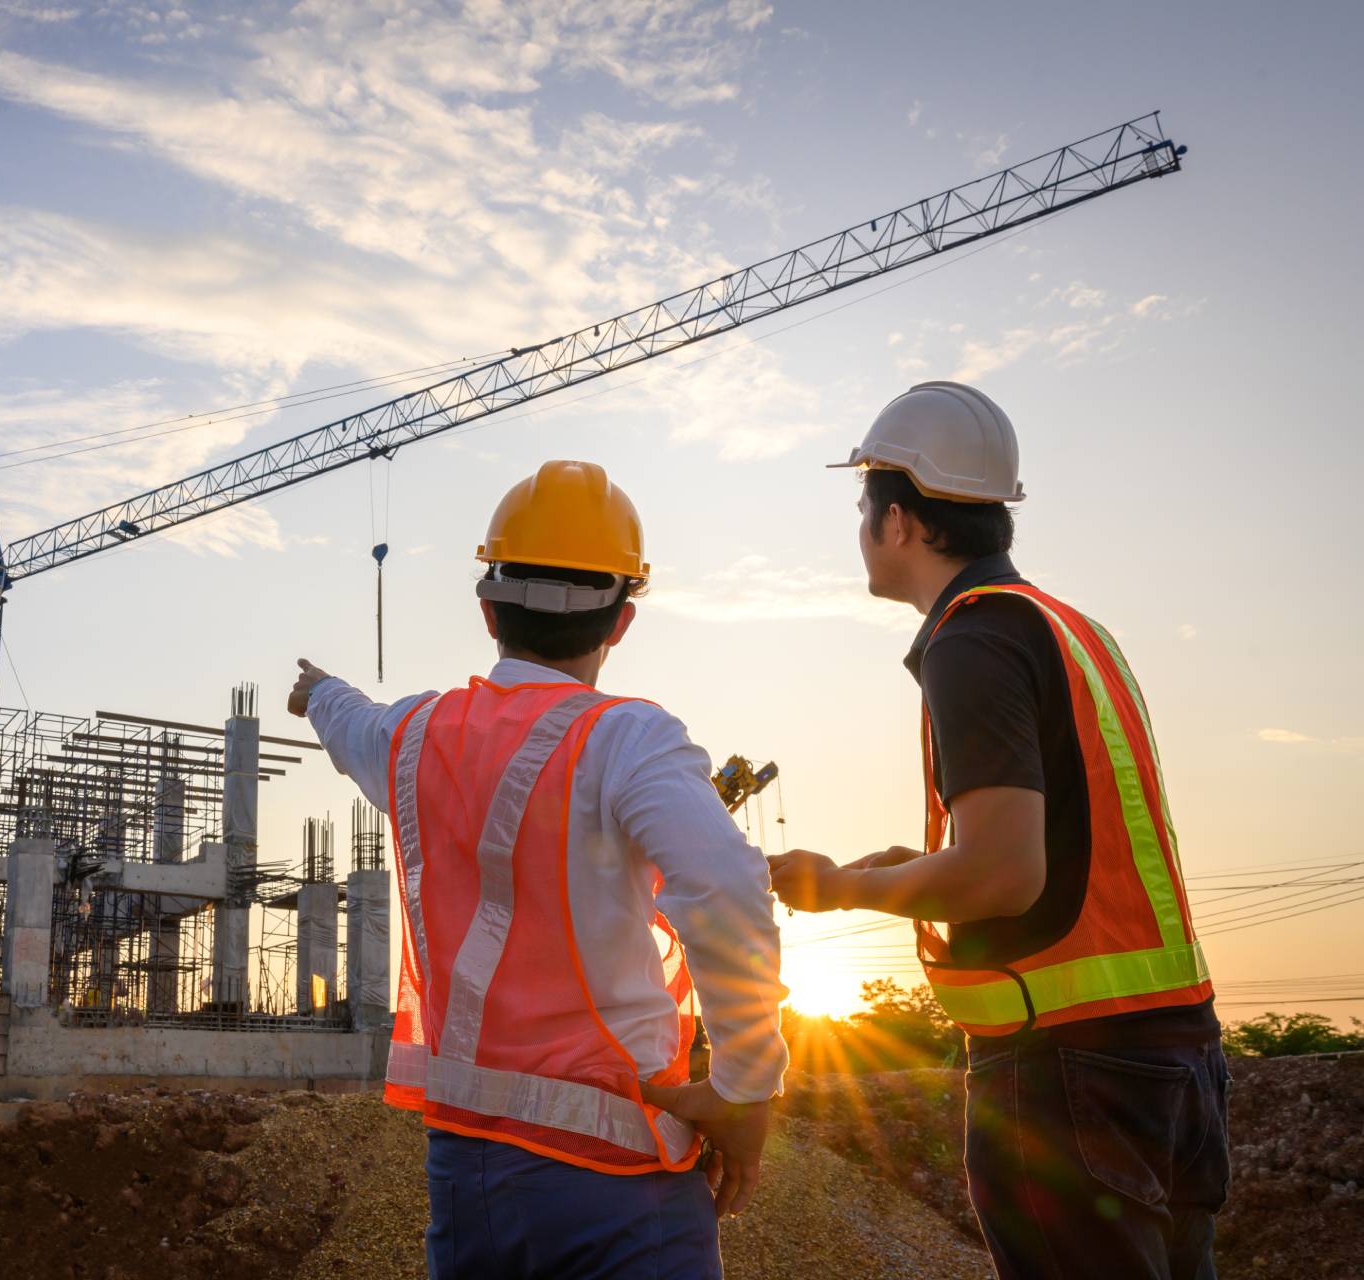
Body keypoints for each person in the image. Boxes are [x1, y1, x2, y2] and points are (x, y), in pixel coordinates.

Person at [748, 382, 1226, 1278]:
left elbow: (1005, 876)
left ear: (901, 523)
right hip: (1172, 1054)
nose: (860, 527)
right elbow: (1042, 850)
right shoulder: (1071, 629)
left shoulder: (973, 641)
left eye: (864, 506)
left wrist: (845, 889)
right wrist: (884, 873)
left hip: (1069, 1066)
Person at [287, 460, 788, 1279]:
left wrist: (317, 692)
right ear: (622, 621)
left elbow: (355, 724)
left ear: (487, 610)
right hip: (617, 1180)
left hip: (467, 1180)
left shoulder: (415, 737)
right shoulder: (629, 740)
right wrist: (744, 1086)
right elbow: (728, 891)